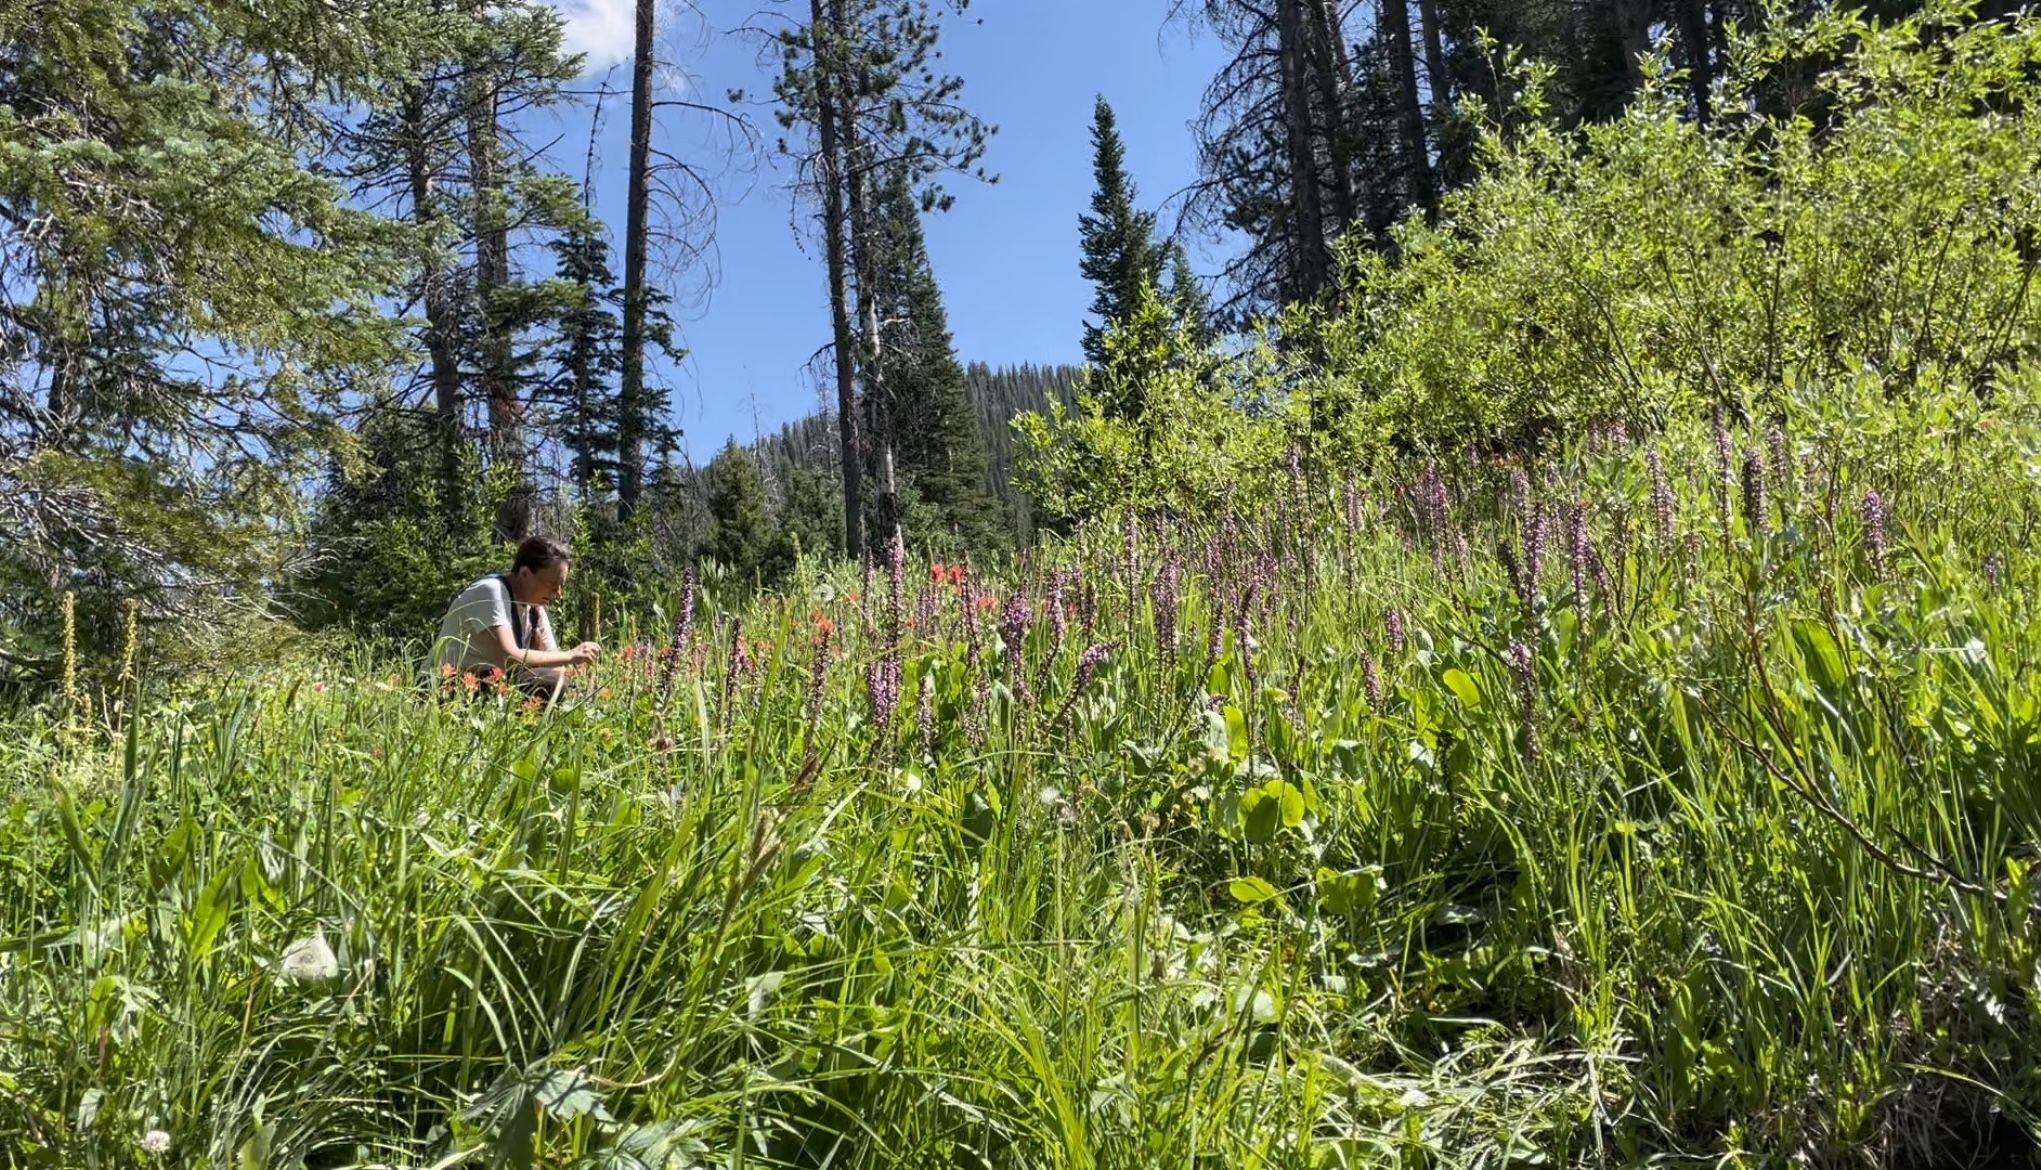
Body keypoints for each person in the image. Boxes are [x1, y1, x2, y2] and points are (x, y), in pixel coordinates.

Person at [431, 536, 600, 700]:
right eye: (552, 584)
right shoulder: (491, 590)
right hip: (448, 686)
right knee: (550, 682)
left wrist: (578, 691)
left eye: (561, 585)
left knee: (555, 681)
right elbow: (509, 658)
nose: (558, 593)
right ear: (525, 573)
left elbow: (553, 661)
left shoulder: (534, 609)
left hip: (490, 684)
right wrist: (571, 655)